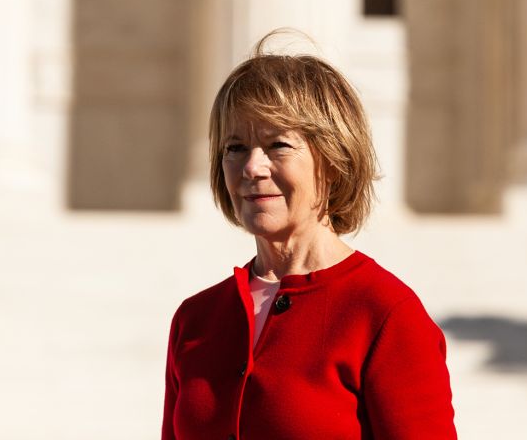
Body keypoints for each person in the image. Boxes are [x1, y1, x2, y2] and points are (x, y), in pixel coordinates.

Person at [162, 34, 457, 440]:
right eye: (235, 147)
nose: (252, 167)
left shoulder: (386, 315)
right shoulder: (195, 320)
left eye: (277, 145)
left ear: (333, 160)